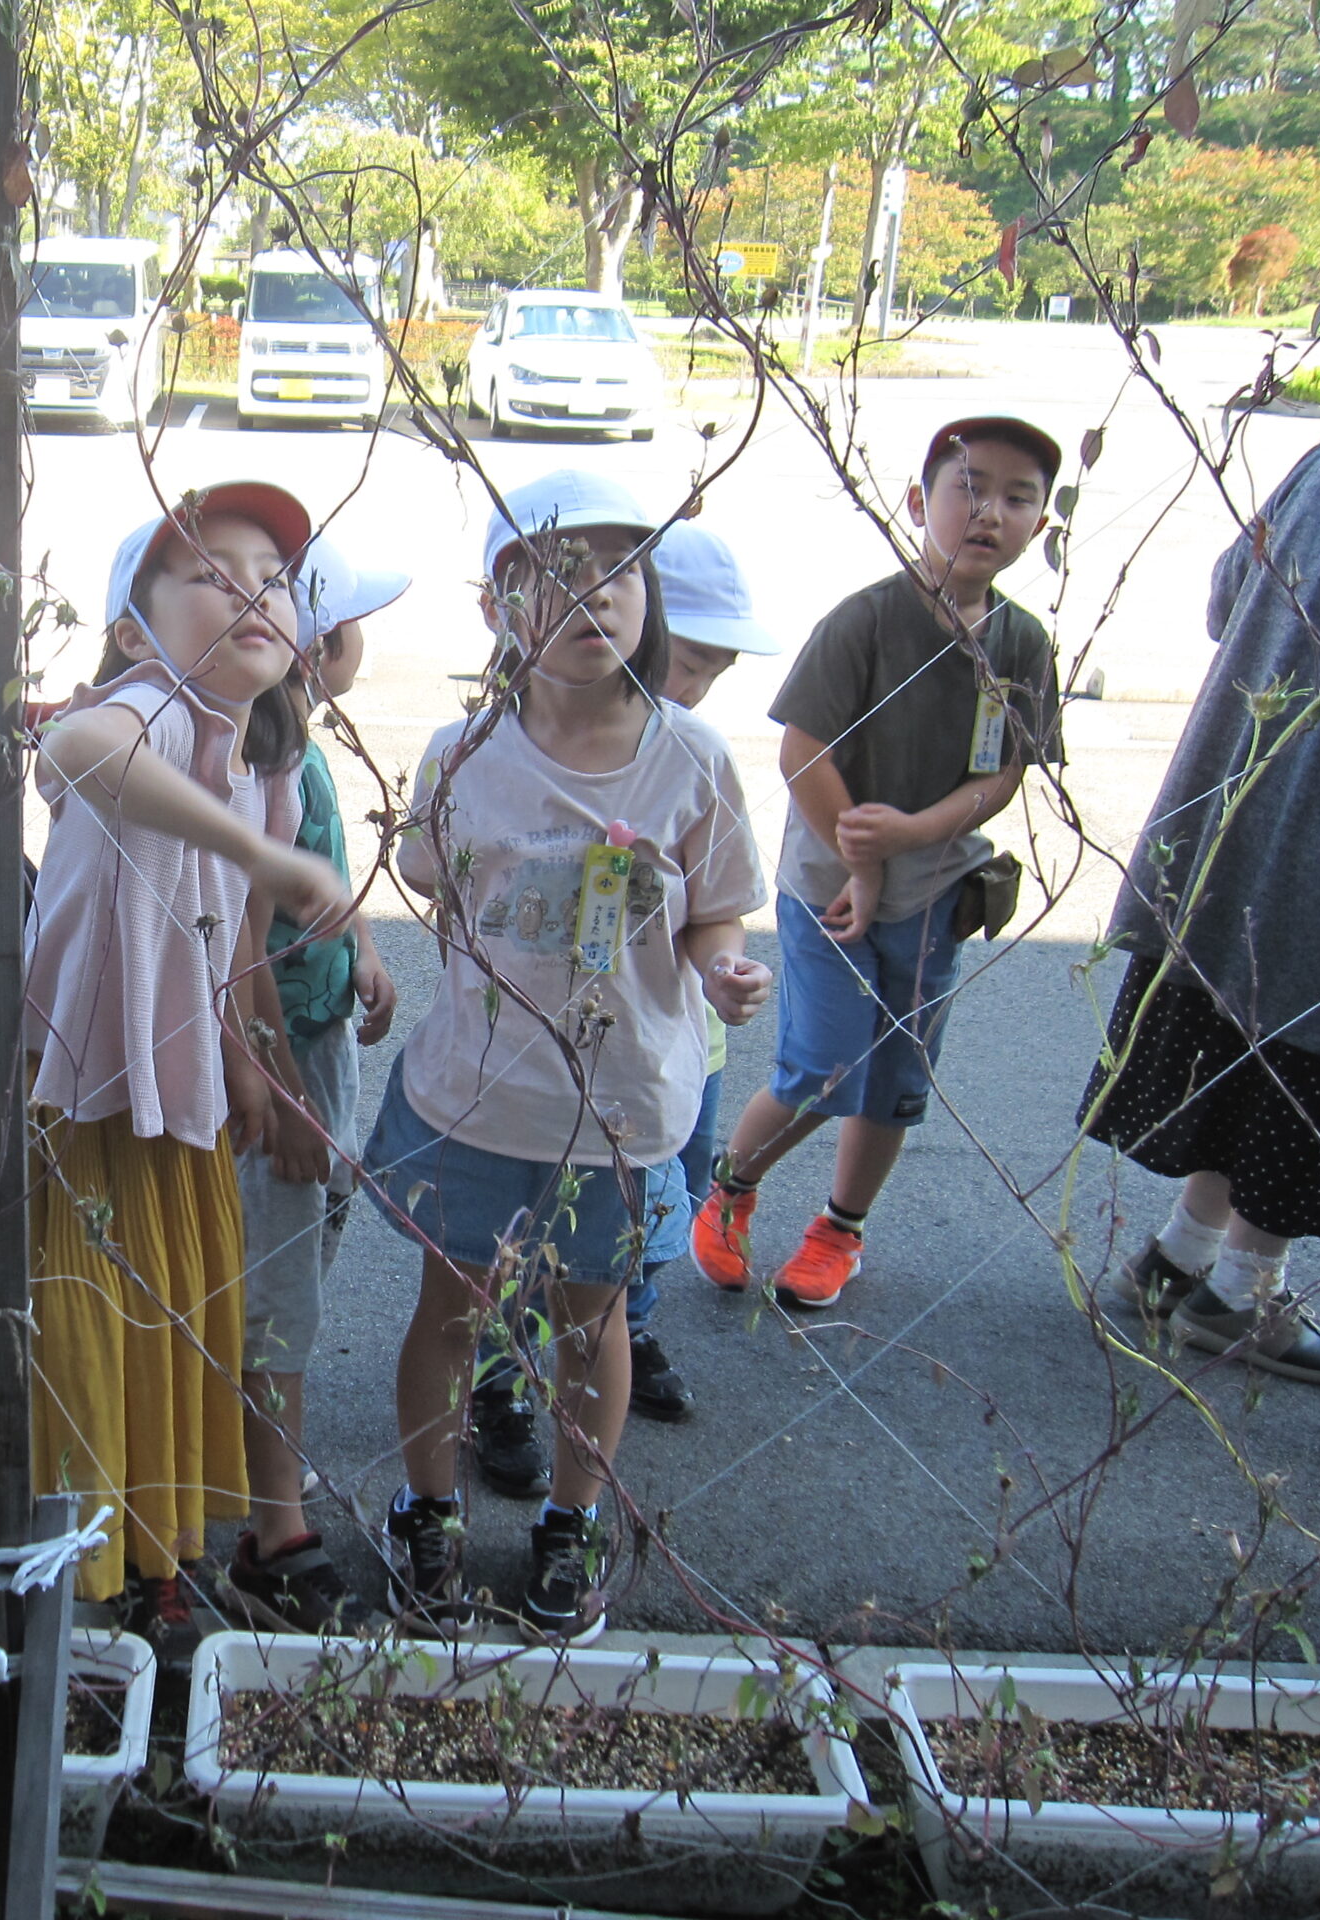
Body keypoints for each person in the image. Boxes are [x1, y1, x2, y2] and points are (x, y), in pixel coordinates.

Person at [0, 481, 353, 1641]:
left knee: (159, 1333)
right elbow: (73, 740)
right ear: (127, 628)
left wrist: (258, 1070)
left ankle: (144, 1562)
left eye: (275, 576)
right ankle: (6, 1559)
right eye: (213, 572)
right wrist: (259, 847)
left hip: (171, 1111)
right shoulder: (141, 712)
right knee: (56, 1335)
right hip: (64, 1106)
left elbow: (229, 938)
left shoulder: (249, 762)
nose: (254, 590)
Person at [365, 472, 771, 1640]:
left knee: (592, 1318)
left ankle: (571, 1522)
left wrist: (721, 971)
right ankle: (428, 1508)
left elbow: (717, 913)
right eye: (546, 569)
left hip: (621, 1105)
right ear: (496, 606)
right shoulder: (460, 749)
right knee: (451, 1308)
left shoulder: (692, 756)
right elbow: (429, 879)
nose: (587, 592)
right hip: (476, 1097)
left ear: (649, 593)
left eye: (614, 567)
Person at [693, 417, 1063, 1310]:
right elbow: (803, 752)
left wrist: (915, 833)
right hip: (829, 892)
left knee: (896, 1081)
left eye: (1019, 499)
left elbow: (1006, 768)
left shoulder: (1020, 643)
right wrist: (860, 859)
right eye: (968, 488)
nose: (990, 513)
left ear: (1042, 529)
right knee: (824, 1069)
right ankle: (732, 1186)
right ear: (916, 502)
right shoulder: (866, 619)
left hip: (933, 894)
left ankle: (840, 1229)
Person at [1083, 414, 1320, 1387]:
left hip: (1241, 819)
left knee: (1253, 1037)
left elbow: (1225, 596)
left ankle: (1180, 1256)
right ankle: (1243, 1292)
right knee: (1318, 1053)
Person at [217, 533, 399, 1635]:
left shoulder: (296, 737)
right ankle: (271, 1530)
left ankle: (254, 1493)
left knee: (308, 1251)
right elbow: (237, 928)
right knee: (277, 1294)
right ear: (319, 641)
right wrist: (277, 1082)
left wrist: (365, 944)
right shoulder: (247, 752)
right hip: (273, 1052)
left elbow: (312, 879)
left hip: (319, 1035)